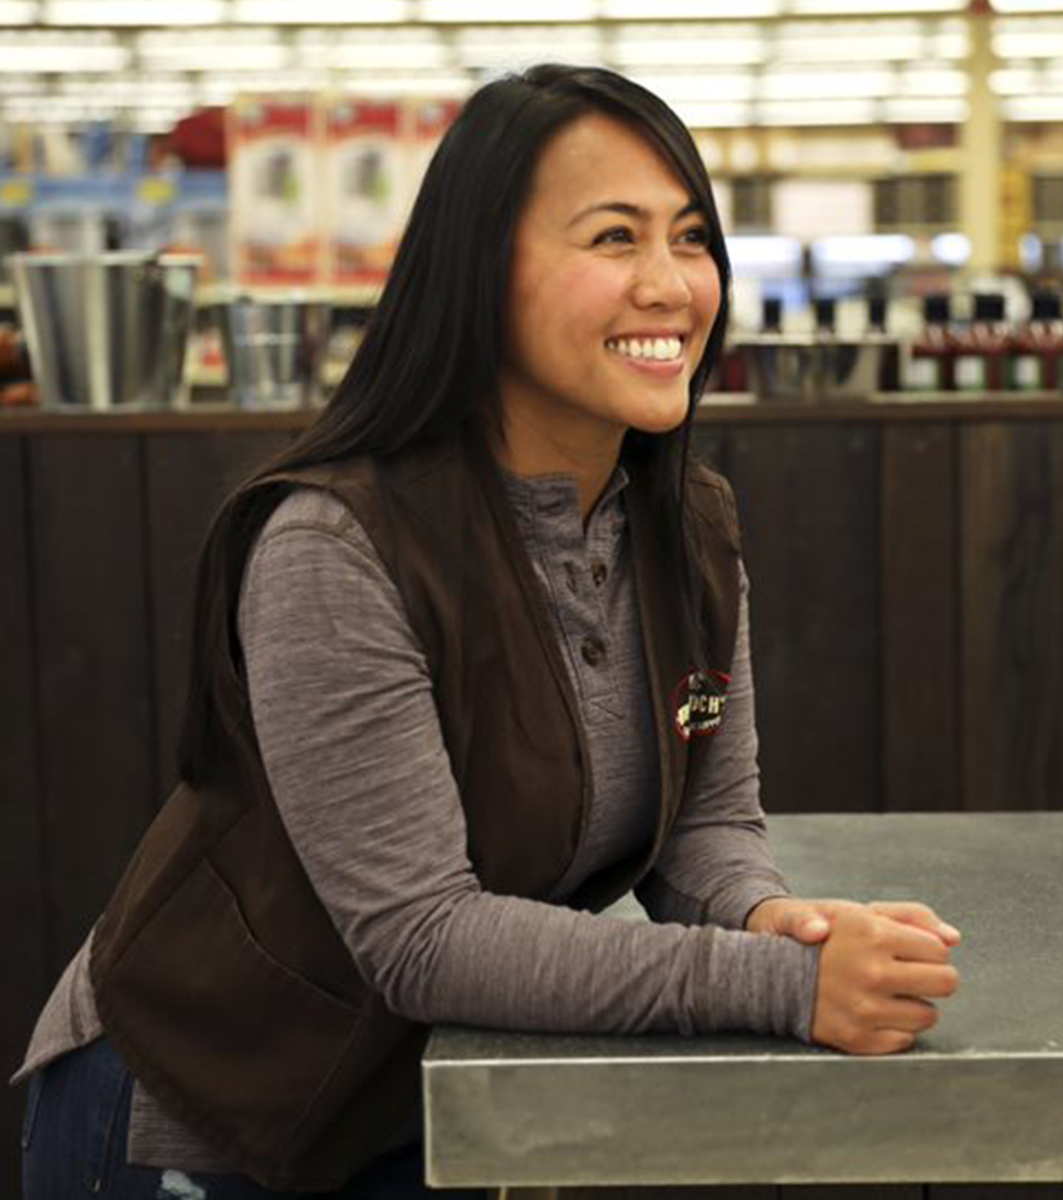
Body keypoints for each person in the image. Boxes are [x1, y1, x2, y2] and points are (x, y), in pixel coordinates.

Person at [16, 64, 961, 1200]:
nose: (669, 285)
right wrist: (781, 987)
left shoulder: (686, 525)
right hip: (201, 1117)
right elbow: (422, 936)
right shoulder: (335, 544)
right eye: (614, 238)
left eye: (691, 238)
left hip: (415, 1112)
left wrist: (781, 924)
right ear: (481, 274)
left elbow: (704, 830)